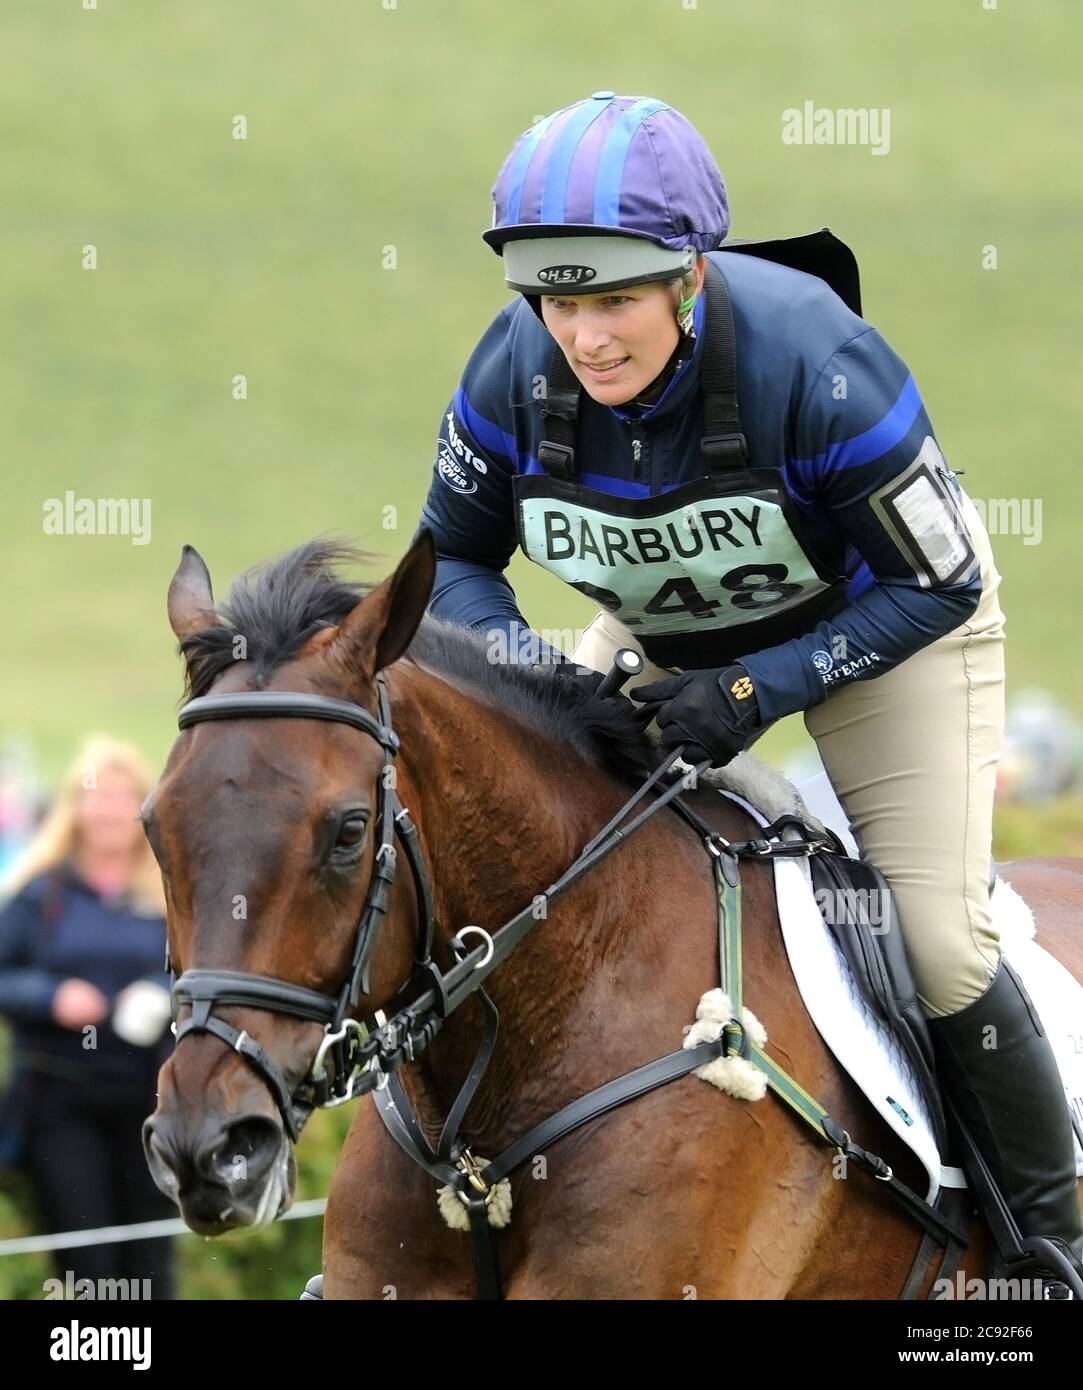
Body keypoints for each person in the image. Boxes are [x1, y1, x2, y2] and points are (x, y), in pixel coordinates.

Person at [414, 92, 1083, 1294]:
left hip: (880, 626)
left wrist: (758, 686)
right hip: (675, 617)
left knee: (934, 934)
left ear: (691, 278)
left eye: (615, 300)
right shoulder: (511, 377)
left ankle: (1050, 1244)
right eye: (558, 303)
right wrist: (537, 680)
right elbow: (453, 559)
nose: (586, 340)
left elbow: (936, 580)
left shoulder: (819, 365)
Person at [0, 735, 175, 1298]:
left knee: (150, 1263)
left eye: (126, 798)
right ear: (75, 808)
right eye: (98, 797)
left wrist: (158, 993)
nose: (110, 811)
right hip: (60, 1102)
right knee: (87, 1267)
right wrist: (52, 997)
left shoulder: (171, 894)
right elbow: (5, 974)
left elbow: (200, 971)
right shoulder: (39, 894)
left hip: (151, 1103)